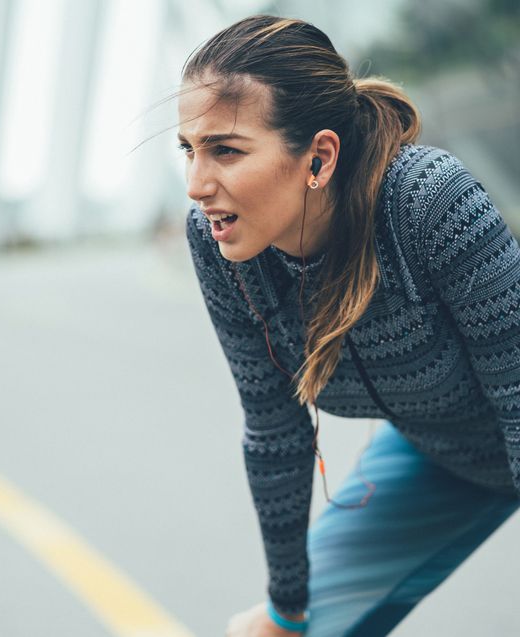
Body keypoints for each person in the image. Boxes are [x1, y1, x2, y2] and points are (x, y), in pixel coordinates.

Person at [177, 14, 520, 637]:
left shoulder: (429, 203)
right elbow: (273, 427)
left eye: (225, 150)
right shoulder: (220, 246)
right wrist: (289, 609)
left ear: (320, 155)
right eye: (189, 150)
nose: (198, 185)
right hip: (440, 454)